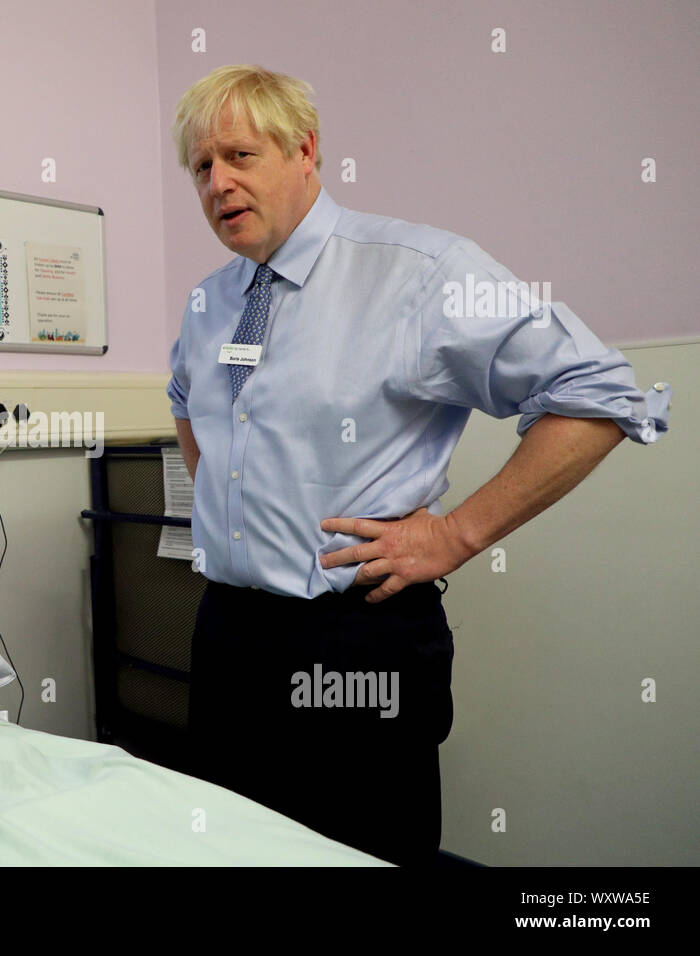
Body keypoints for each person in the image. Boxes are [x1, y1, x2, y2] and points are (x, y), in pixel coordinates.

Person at [166, 66, 671, 866]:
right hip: (228, 634)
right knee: (236, 847)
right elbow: (188, 398)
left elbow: (601, 395)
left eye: (239, 155)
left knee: (364, 851)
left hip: (352, 640)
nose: (218, 182)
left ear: (305, 151)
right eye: (200, 166)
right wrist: (231, 510)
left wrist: (456, 534)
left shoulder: (418, 273)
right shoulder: (212, 301)